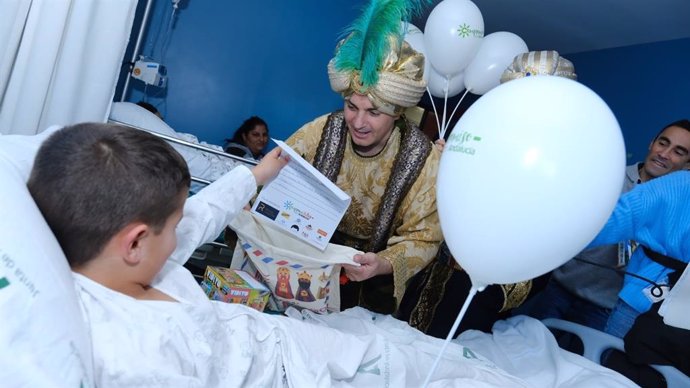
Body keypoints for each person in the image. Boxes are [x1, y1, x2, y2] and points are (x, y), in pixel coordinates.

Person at [27, 122, 527, 387]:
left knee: (419, 355)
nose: (183, 234)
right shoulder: (130, 356)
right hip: (291, 374)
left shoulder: (119, 259)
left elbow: (202, 214)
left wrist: (257, 176)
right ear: (135, 242)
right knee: (422, 372)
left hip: (289, 337)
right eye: (173, 228)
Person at [396, 51, 575, 338]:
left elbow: (547, 240)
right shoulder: (482, 132)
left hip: (484, 286)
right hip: (433, 267)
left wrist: (493, 285)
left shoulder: (560, 165)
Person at [284, 5, 442, 316]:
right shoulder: (319, 131)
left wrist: (382, 264)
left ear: (397, 112)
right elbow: (280, 174)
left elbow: (423, 237)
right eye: (351, 106)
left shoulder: (423, 161)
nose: (358, 122)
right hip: (308, 262)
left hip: (373, 282)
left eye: (373, 112)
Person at [518, 118, 690, 330]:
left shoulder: (676, 211)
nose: (664, 153)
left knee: (583, 361)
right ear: (651, 143)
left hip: (606, 308)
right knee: (527, 347)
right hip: (561, 288)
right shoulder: (607, 177)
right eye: (663, 143)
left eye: (678, 152)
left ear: (688, 165)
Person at [587, 170, 690, 339]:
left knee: (608, 360)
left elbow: (621, 215)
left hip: (645, 300)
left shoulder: (679, 183)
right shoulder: (680, 184)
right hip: (650, 296)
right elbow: (623, 215)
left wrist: (562, 237)